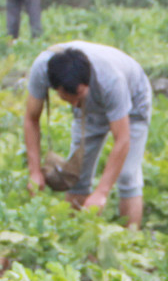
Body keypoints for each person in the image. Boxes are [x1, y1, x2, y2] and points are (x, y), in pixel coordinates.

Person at [23, 42, 151, 229]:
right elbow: (31, 118)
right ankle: (75, 245)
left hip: (134, 99)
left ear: (87, 83)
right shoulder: (42, 70)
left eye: (78, 96)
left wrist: (102, 192)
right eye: (67, 99)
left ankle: (129, 244)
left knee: (127, 176)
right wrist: (34, 171)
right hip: (93, 104)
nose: (75, 104)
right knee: (78, 175)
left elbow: (122, 140)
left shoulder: (111, 80)